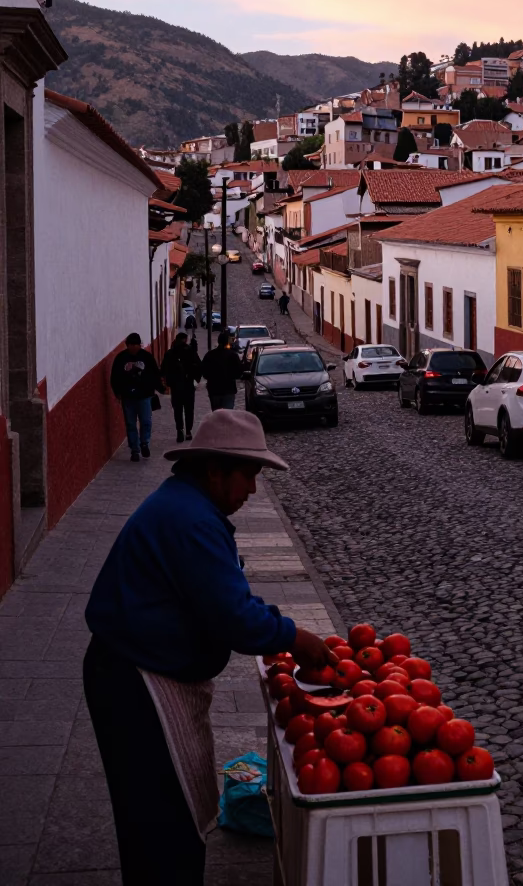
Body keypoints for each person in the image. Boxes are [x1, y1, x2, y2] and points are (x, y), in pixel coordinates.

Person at [84, 410, 337, 885]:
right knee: (161, 825)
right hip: (135, 682)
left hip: (139, 668)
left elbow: (223, 593)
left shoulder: (189, 506)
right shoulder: (192, 520)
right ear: (216, 470)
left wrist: (272, 623)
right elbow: (234, 618)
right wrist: (293, 637)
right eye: (249, 477)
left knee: (164, 815)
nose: (253, 491)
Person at [110, 333, 164, 462]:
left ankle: (144, 442)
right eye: (131, 345)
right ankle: (134, 449)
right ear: (127, 345)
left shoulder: (147, 357)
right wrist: (117, 392)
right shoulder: (121, 358)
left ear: (140, 345)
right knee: (130, 424)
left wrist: (159, 388)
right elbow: (115, 377)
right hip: (128, 396)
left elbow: (154, 374)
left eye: (136, 345)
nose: (133, 347)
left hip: (144, 396)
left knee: (146, 421)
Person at [161, 332, 202, 443]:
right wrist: (196, 380)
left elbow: (163, 369)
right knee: (189, 410)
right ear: (185, 339)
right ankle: (188, 431)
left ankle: (180, 430)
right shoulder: (191, 351)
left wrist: (166, 383)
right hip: (188, 386)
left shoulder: (170, 353)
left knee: (178, 410)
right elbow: (199, 367)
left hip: (176, 387)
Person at [200, 330, 244, 410]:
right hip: (228, 389)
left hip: (214, 390)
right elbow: (239, 372)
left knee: (217, 415)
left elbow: (204, 371)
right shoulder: (233, 355)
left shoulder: (210, 355)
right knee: (227, 415)